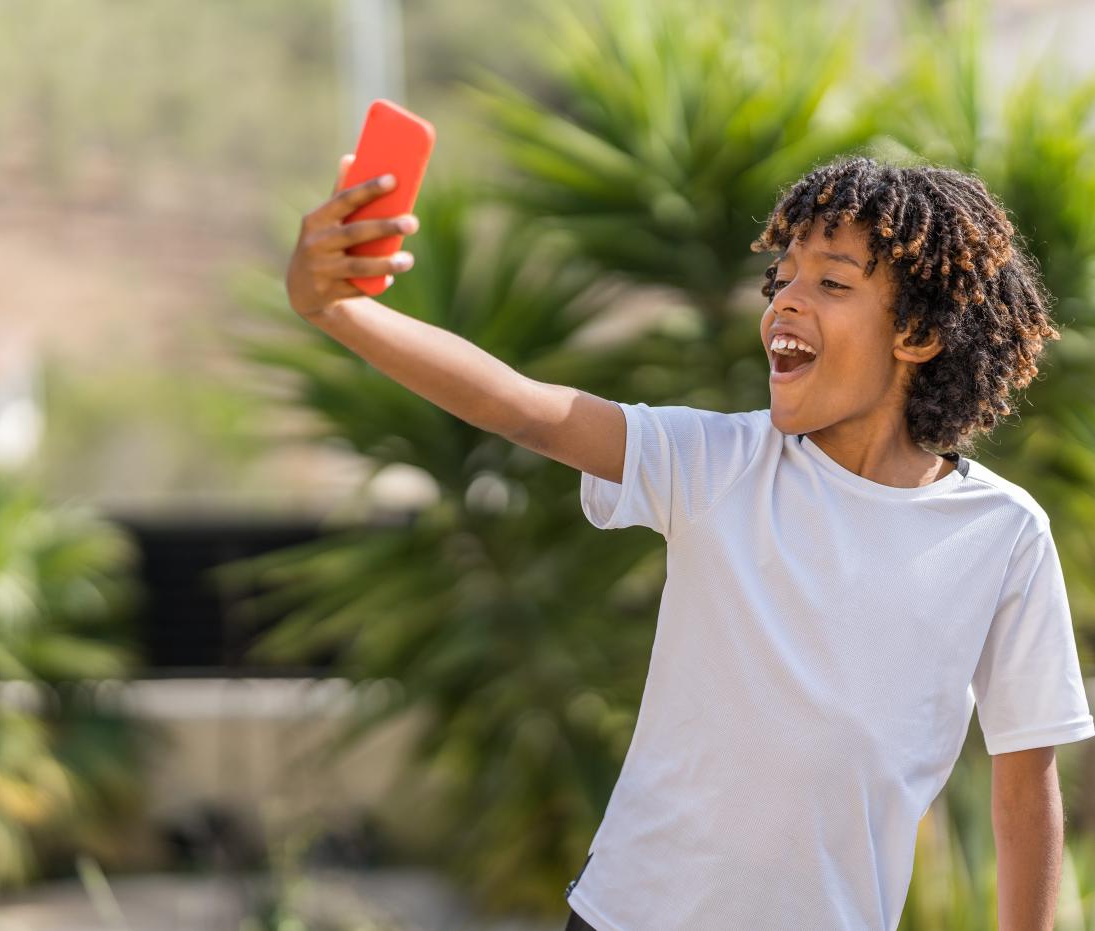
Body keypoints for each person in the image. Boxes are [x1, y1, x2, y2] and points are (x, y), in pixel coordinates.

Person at [285, 153, 1095, 930]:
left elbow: (1025, 789)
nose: (783, 302)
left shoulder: (1003, 534)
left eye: (832, 282)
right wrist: (339, 309)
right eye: (778, 282)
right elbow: (520, 407)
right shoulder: (715, 462)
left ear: (917, 333)